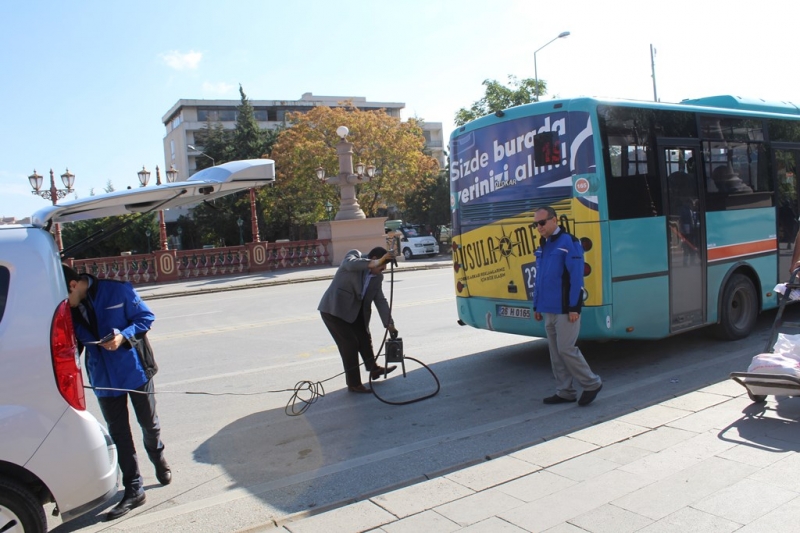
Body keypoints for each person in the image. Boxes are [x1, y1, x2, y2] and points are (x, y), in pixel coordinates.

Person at [62, 265, 171, 520]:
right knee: (119, 433)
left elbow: (145, 318)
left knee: (148, 424)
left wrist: (123, 336)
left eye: (65, 295)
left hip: (134, 371)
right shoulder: (68, 309)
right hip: (103, 377)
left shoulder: (118, 290)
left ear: (74, 285)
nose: (64, 302)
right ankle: (134, 488)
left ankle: (158, 457)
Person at [532, 207, 603, 406]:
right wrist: (537, 305)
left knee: (566, 349)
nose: (538, 227)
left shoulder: (569, 242)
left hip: (565, 308)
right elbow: (540, 278)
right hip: (548, 308)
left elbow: (576, 277)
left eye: (542, 223)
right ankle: (565, 391)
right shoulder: (544, 244)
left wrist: (574, 307)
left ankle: (592, 383)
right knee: (555, 353)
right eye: (535, 224)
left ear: (554, 220)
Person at [318, 247, 398, 393]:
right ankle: (354, 384)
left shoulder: (377, 277)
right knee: (350, 343)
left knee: (364, 335)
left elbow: (380, 300)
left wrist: (389, 324)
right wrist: (375, 263)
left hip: (353, 312)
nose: (383, 269)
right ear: (373, 259)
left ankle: (373, 369)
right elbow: (349, 264)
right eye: (382, 265)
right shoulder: (354, 256)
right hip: (334, 310)